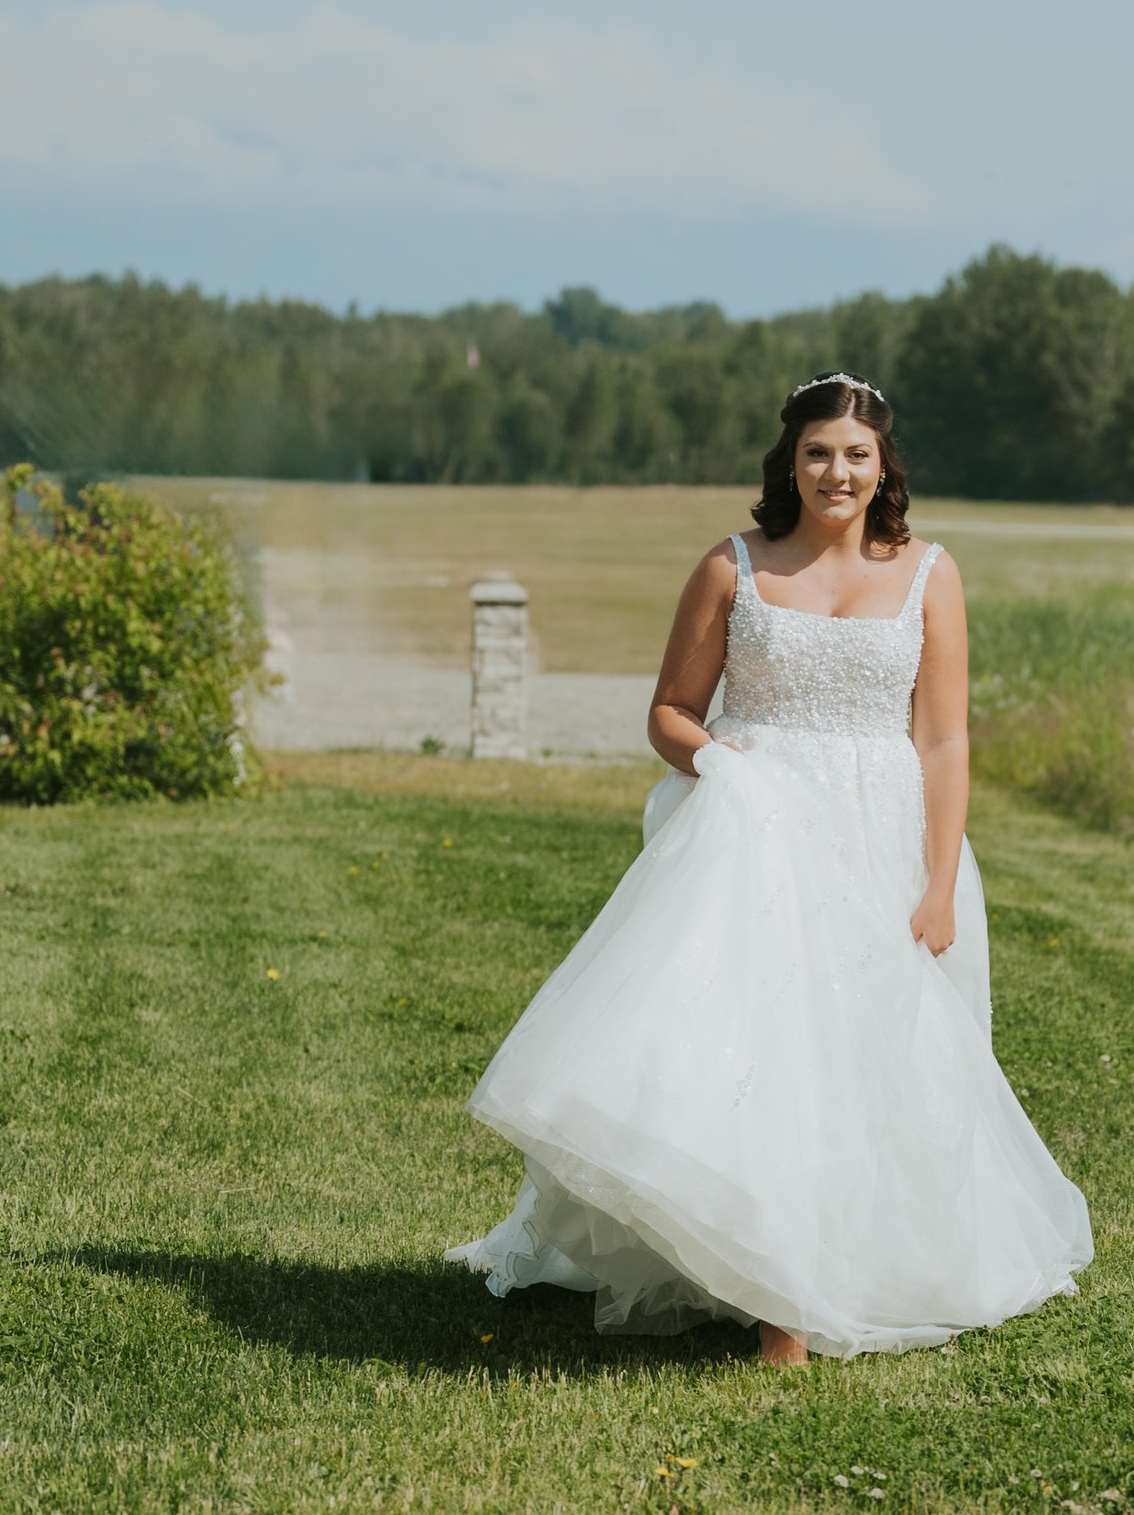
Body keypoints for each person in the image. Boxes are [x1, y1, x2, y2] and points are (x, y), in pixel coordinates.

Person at [452, 370, 1092, 1361]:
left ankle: (839, 1269)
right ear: (788, 462)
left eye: (856, 454)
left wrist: (934, 884)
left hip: (881, 835)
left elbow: (944, 742)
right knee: (764, 1057)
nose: (836, 471)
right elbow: (669, 711)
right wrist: (720, 764)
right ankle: (773, 1304)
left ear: (885, 468)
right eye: (817, 452)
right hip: (751, 839)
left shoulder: (930, 573)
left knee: (867, 1066)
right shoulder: (732, 566)